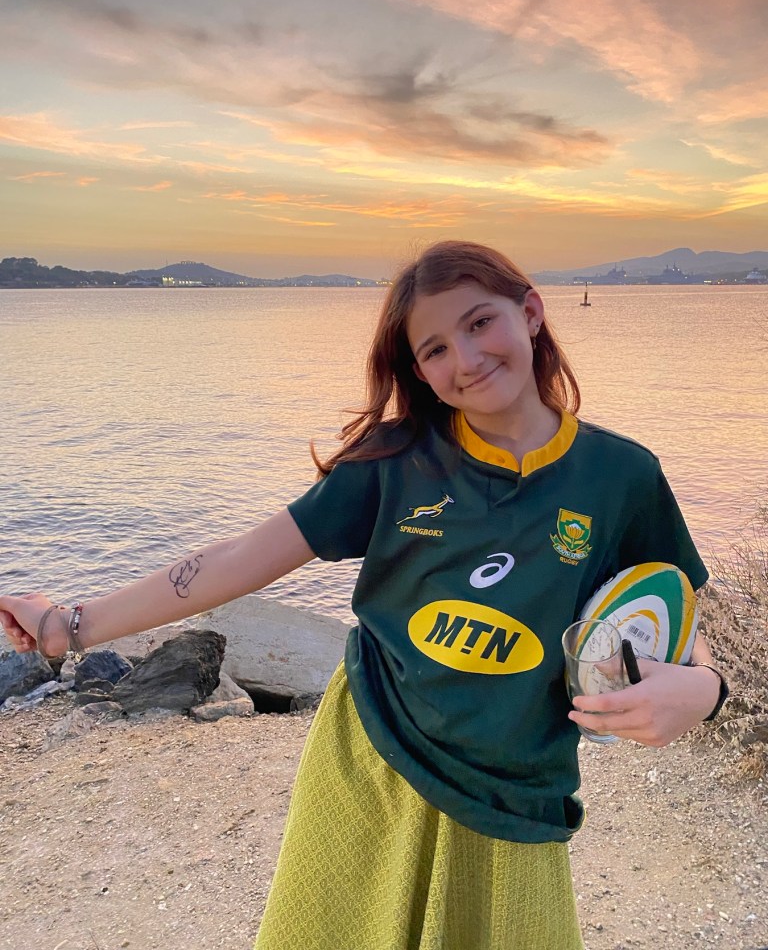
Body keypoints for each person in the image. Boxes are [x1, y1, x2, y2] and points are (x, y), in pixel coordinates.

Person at [0, 240, 725, 950]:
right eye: (435, 349)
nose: (466, 358)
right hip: (372, 755)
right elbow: (236, 561)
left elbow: (674, 606)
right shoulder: (393, 461)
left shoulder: (621, 476)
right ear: (419, 370)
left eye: (480, 322)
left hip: (517, 787)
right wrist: (70, 624)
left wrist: (704, 687)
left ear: (530, 313)